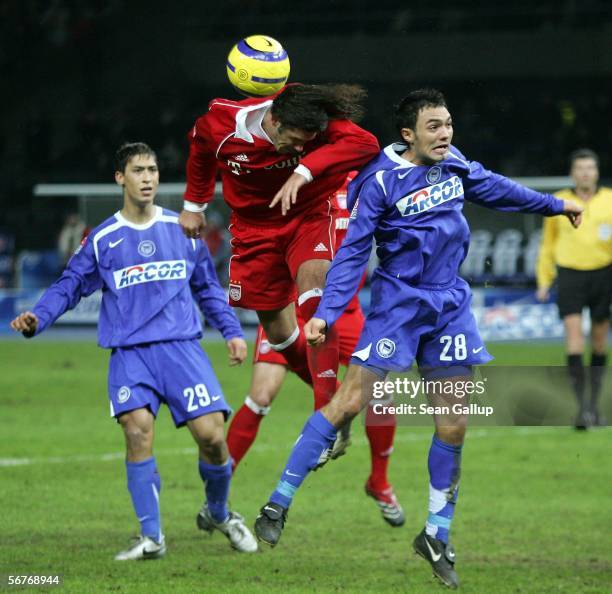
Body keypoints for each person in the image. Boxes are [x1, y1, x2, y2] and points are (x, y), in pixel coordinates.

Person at [253, 89, 583, 589]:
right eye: (434, 126)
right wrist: (326, 312)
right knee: (349, 403)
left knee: (453, 425)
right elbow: (351, 253)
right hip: (399, 306)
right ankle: (278, 502)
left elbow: (496, 188)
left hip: (449, 305)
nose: (445, 133)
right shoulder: (379, 181)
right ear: (408, 135)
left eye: (448, 123)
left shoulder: (455, 165)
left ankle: (435, 533)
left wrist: (556, 205)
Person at [10, 142, 258, 560]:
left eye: (153, 170)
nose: (147, 178)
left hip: (181, 348)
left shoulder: (183, 229)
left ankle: (218, 512)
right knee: (137, 431)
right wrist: (40, 317)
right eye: (138, 170)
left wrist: (232, 330)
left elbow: (207, 288)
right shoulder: (103, 239)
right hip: (130, 354)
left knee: (213, 439)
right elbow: (69, 285)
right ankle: (152, 537)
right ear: (120, 178)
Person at [179, 84, 380, 420]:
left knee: (315, 299)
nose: (302, 147)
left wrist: (305, 169)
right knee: (279, 334)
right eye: (297, 140)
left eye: (308, 141)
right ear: (274, 121)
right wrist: (194, 205)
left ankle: (325, 417)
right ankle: (330, 401)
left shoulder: (313, 120)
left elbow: (366, 143)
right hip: (254, 229)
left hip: (310, 215)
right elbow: (199, 150)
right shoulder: (222, 126)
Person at [226, 173, 404, 527]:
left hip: (346, 308)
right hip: (292, 302)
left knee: (384, 393)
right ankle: (219, 490)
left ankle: (379, 482)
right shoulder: (297, 173)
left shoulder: (363, 176)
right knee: (261, 395)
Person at [536, 149, 612, 429]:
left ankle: (594, 405)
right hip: (569, 276)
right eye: (580, 168)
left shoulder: (610, 201)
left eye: (589, 168)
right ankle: (581, 409)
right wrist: (544, 280)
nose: (585, 173)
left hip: (604, 274)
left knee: (601, 342)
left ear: (596, 172)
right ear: (572, 173)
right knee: (574, 338)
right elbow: (547, 245)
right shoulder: (559, 202)